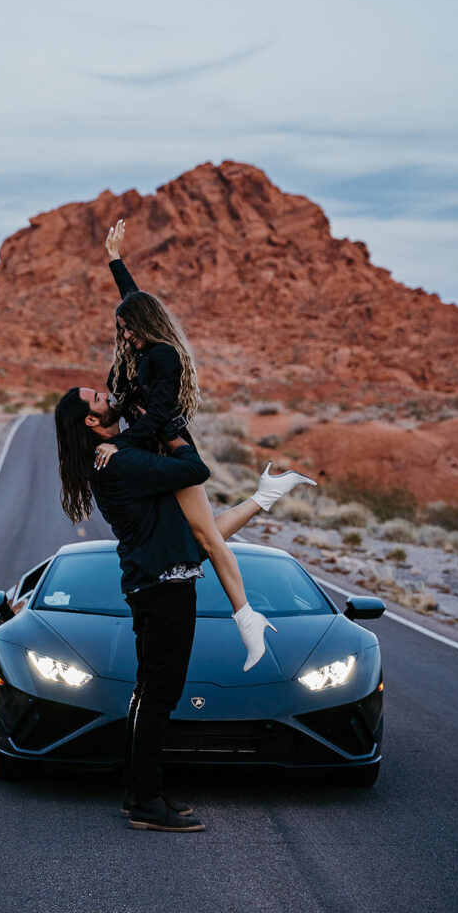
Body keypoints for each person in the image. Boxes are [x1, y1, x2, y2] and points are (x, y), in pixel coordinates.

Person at [54, 386, 314, 832]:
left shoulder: (118, 455)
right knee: (158, 697)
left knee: (149, 693)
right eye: (97, 398)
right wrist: (170, 427)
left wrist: (260, 499)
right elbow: (195, 469)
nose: (106, 394)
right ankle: (146, 803)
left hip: (155, 588)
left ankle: (139, 793)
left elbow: (203, 535)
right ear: (92, 423)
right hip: (163, 591)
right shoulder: (122, 463)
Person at [94, 219, 316, 671]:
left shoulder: (164, 356)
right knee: (194, 539)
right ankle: (266, 494)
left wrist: (121, 447)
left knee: (208, 542)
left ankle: (248, 622)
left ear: (144, 327)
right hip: (150, 448)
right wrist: (116, 261)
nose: (125, 337)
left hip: (169, 447)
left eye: (129, 330)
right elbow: (133, 302)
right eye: (123, 331)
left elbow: (157, 416)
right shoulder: (142, 347)